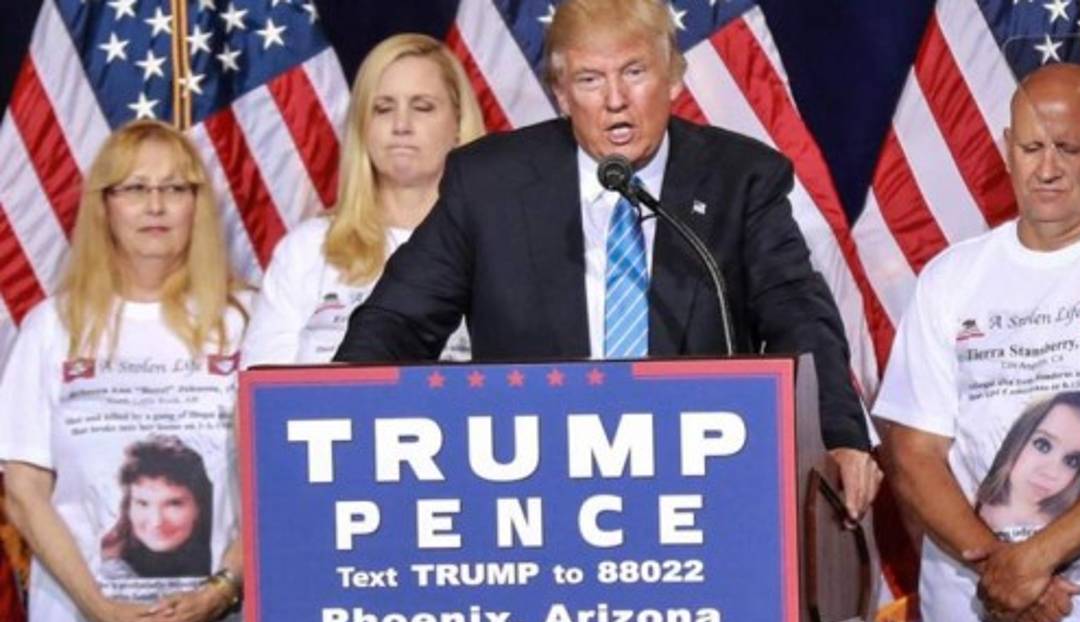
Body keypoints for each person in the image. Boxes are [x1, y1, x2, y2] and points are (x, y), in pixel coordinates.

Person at [334, 0, 881, 519]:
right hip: (534, 487)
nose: (615, 99)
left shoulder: (739, 179)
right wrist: (335, 413)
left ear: (673, 77)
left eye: (634, 72)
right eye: (590, 80)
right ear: (561, 94)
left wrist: (838, 436)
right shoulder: (490, 184)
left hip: (701, 482)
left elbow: (797, 314)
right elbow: (398, 320)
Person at [875, 62, 1080, 622]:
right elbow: (913, 453)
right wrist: (1001, 570)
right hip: (974, 607)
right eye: (1031, 148)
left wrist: (1033, 561)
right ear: (1007, 148)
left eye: (1068, 149)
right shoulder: (951, 277)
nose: (1046, 169)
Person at [0, 119, 248, 622]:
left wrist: (221, 591)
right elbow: (24, 491)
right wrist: (101, 609)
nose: (155, 206)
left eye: (174, 188)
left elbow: (282, 479)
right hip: (79, 616)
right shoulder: (52, 327)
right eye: (135, 188)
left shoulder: (246, 322)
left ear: (197, 205)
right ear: (104, 206)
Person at [241, 33, 483, 366]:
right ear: (362, 127)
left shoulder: (494, 251)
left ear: (458, 122)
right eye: (383, 108)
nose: (401, 125)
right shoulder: (307, 250)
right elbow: (264, 390)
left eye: (422, 107)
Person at [976, 392, 1080, 536]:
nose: (1051, 473)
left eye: (1072, 461)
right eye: (1042, 445)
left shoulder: (1071, 526)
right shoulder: (969, 498)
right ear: (1018, 437)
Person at [101, 436, 213, 579]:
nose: (156, 521)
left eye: (173, 503)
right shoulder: (107, 568)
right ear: (127, 507)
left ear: (200, 507)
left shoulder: (225, 560)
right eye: (142, 503)